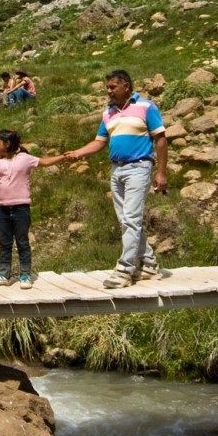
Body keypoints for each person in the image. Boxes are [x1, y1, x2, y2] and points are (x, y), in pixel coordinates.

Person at [62, 69, 172, 289]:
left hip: (139, 167)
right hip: (117, 170)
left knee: (131, 219)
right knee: (125, 220)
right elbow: (99, 142)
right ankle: (149, 263)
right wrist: (78, 153)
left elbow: (160, 139)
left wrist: (161, 172)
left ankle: (125, 270)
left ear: (126, 86)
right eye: (107, 87)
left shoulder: (146, 107)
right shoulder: (108, 113)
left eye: (113, 87)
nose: (108, 91)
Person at [0, 128, 66, 289]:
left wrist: (63, 157)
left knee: (22, 241)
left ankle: (25, 275)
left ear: (7, 144)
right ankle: (4, 275)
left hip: (21, 208)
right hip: (3, 209)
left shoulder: (25, 159)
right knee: (5, 243)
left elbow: (45, 162)